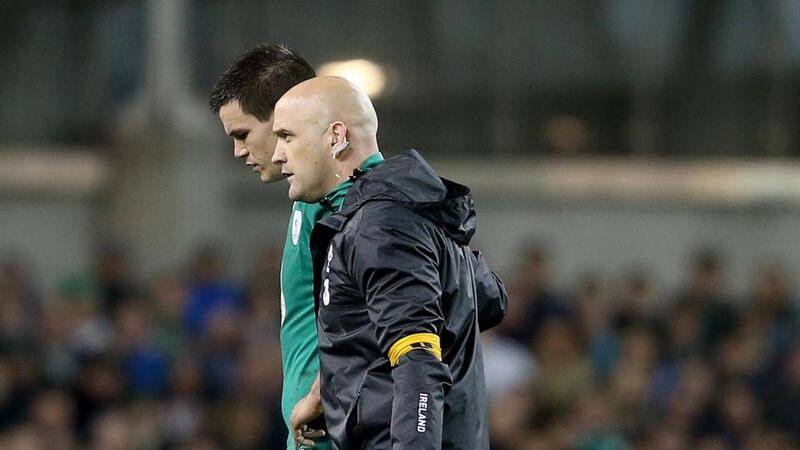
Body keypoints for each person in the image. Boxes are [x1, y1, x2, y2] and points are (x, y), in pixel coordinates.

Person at [271, 76, 507, 449]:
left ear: (336, 136)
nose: (276, 154)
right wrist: (325, 391)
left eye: (287, 137)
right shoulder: (399, 216)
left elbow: (417, 360)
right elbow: (489, 298)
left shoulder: (379, 227)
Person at [209, 43, 331, 450]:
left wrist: (319, 396)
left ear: (285, 116)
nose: (238, 151)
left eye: (242, 134)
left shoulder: (347, 206)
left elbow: (380, 320)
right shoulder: (309, 200)